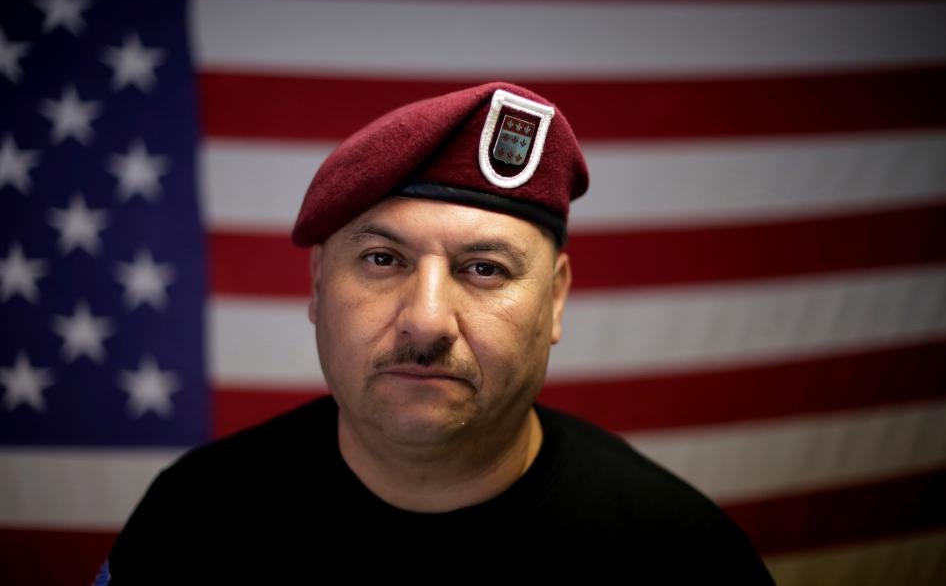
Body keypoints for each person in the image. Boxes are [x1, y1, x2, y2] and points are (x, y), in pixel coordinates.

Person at [102, 83, 773, 581]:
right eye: (382, 260)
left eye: (483, 268)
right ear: (316, 288)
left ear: (557, 299)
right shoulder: (192, 519)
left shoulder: (685, 558)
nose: (425, 320)